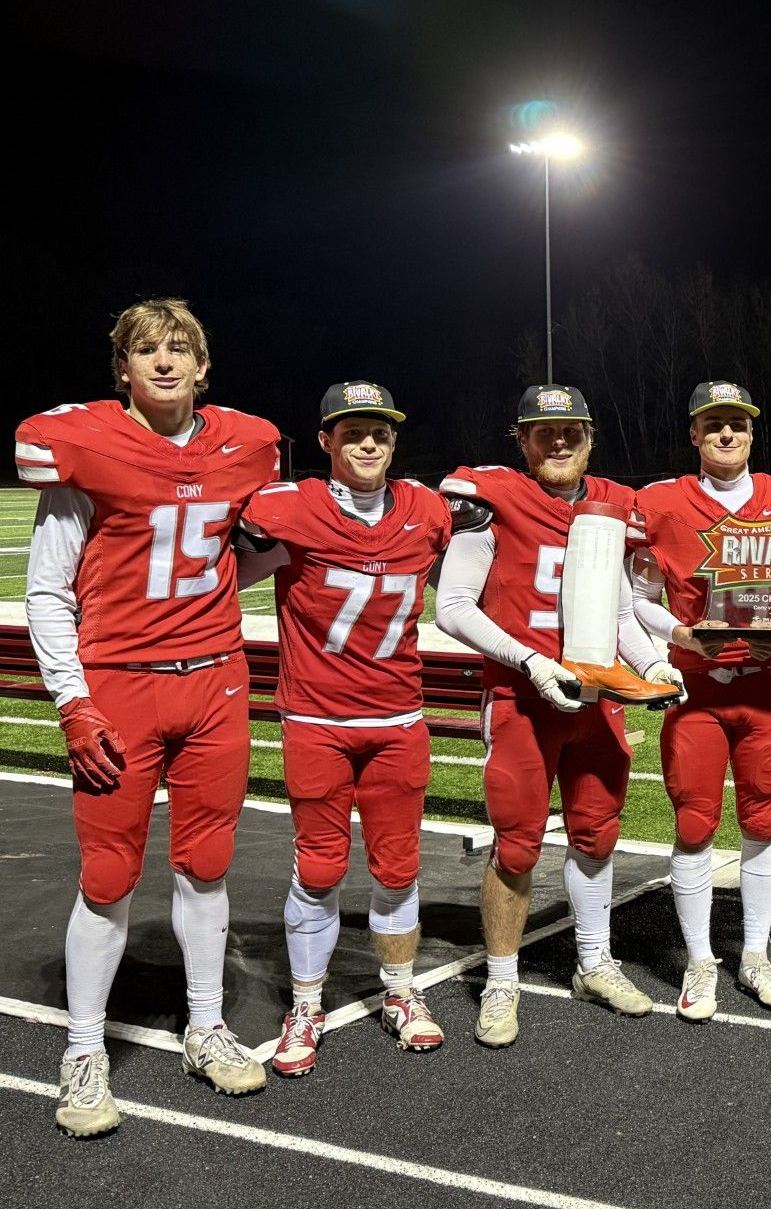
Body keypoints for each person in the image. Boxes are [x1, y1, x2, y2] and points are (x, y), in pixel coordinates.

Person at [17, 299, 280, 1136]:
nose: (163, 362)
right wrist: (73, 701)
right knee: (108, 875)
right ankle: (85, 1053)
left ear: (204, 366)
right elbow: (46, 592)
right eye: (145, 350)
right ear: (122, 367)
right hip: (120, 684)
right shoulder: (86, 447)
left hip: (215, 682)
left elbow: (246, 554)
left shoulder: (246, 445)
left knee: (207, 862)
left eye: (179, 349)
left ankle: (204, 1024)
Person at [437, 385, 677, 1047]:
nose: (559, 441)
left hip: (595, 700)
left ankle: (594, 961)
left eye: (571, 429)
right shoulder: (495, 499)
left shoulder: (615, 505)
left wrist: (653, 663)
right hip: (523, 700)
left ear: (591, 435)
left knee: (597, 833)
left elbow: (623, 611)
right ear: (521, 440)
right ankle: (503, 979)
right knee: (515, 845)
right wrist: (528, 661)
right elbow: (452, 605)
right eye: (544, 432)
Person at [235, 382, 459, 1076]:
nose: (368, 442)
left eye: (380, 432)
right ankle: (305, 1003)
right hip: (318, 719)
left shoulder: (427, 511)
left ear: (395, 441)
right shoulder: (290, 507)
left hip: (398, 717)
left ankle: (399, 990)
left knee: (398, 866)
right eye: (352, 431)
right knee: (321, 865)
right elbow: (232, 567)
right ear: (326, 440)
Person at [630, 381, 771, 1020]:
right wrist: (680, 635)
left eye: (738, 422)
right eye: (714, 424)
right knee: (694, 824)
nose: (727, 434)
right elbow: (635, 599)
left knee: (764, 822)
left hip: (768, 688)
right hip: (697, 690)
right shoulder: (659, 503)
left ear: (753, 430)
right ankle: (700, 960)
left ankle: (756, 953)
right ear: (693, 433)